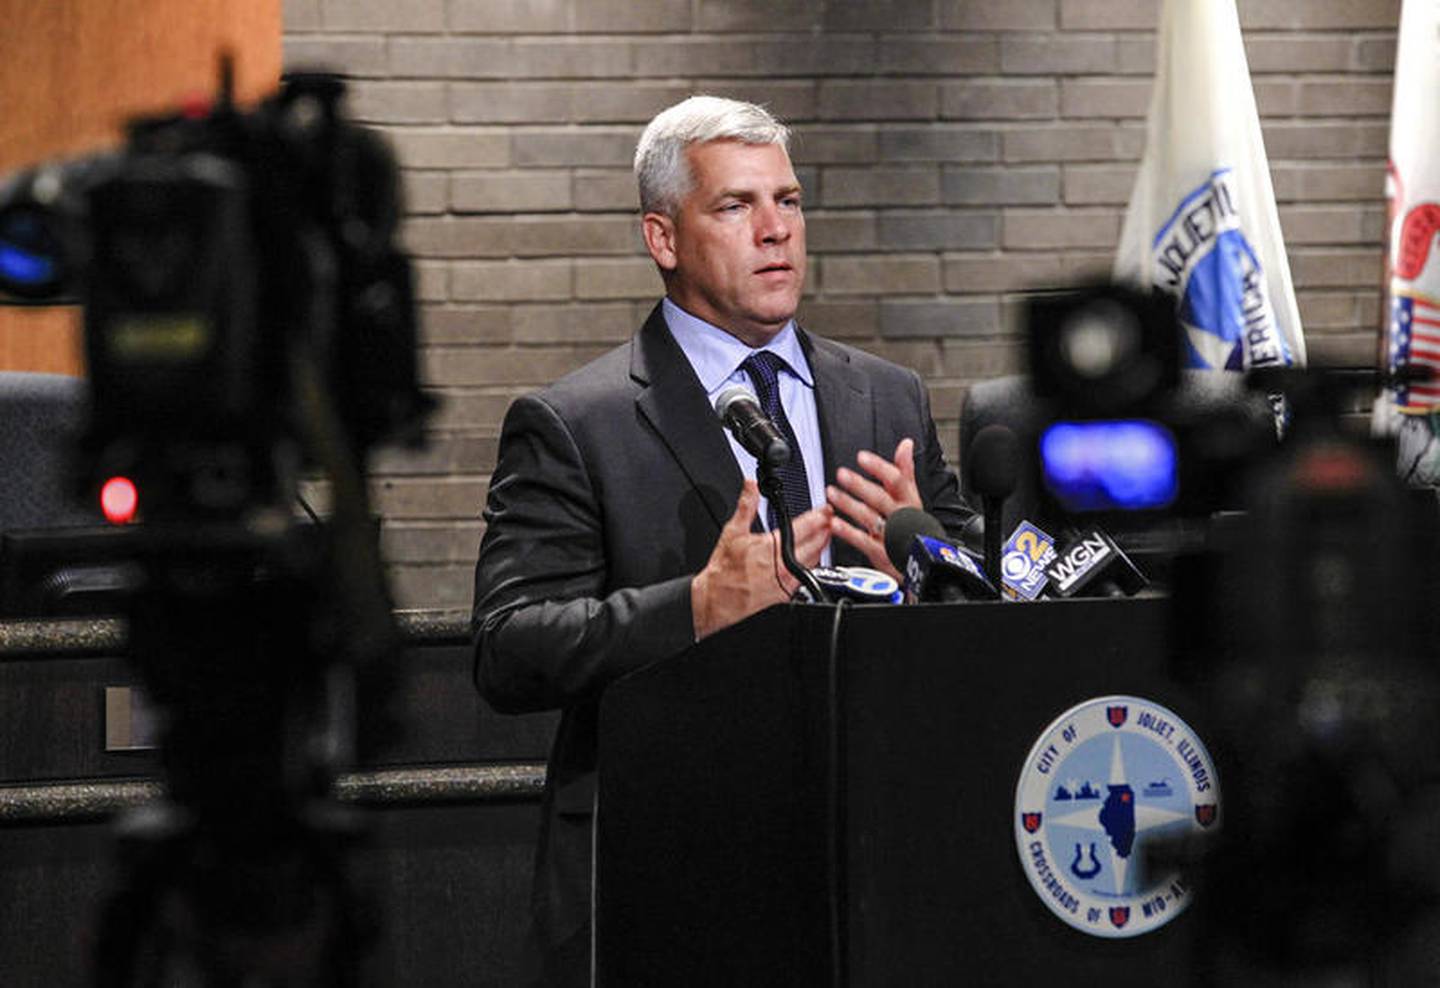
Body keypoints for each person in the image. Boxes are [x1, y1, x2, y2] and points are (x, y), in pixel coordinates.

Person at [471, 95, 977, 986]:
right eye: (737, 206)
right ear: (663, 239)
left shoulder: (885, 397)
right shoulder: (573, 424)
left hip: (874, 847)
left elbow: (983, 593)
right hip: (671, 864)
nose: (776, 229)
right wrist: (699, 608)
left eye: (788, 200)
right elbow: (511, 649)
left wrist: (929, 553)